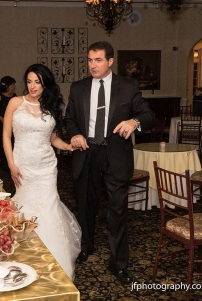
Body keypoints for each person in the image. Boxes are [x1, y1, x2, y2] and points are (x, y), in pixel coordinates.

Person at [65, 41, 155, 284]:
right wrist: (74, 134)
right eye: (90, 60)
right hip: (87, 153)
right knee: (86, 204)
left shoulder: (127, 86)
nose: (93, 65)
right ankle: (86, 246)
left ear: (110, 61)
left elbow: (148, 115)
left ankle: (119, 264)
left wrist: (134, 122)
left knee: (117, 210)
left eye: (98, 60)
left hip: (116, 156)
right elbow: (70, 119)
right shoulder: (78, 88)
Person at [3, 63, 82, 280]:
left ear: (45, 83)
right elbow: (6, 135)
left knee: (48, 210)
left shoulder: (51, 106)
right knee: (24, 207)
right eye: (29, 81)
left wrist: (66, 146)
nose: (32, 86)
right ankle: (24, 260)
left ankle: (53, 263)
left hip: (46, 167)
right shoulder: (15, 103)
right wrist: (11, 164)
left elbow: (53, 138)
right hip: (23, 167)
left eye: (37, 81)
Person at [0, 76, 17, 171]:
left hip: (12, 123)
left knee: (12, 142)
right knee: (2, 143)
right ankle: (1, 163)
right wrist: (2, 119)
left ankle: (11, 162)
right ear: (7, 86)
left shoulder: (14, 96)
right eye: (12, 84)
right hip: (1, 123)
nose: (14, 86)